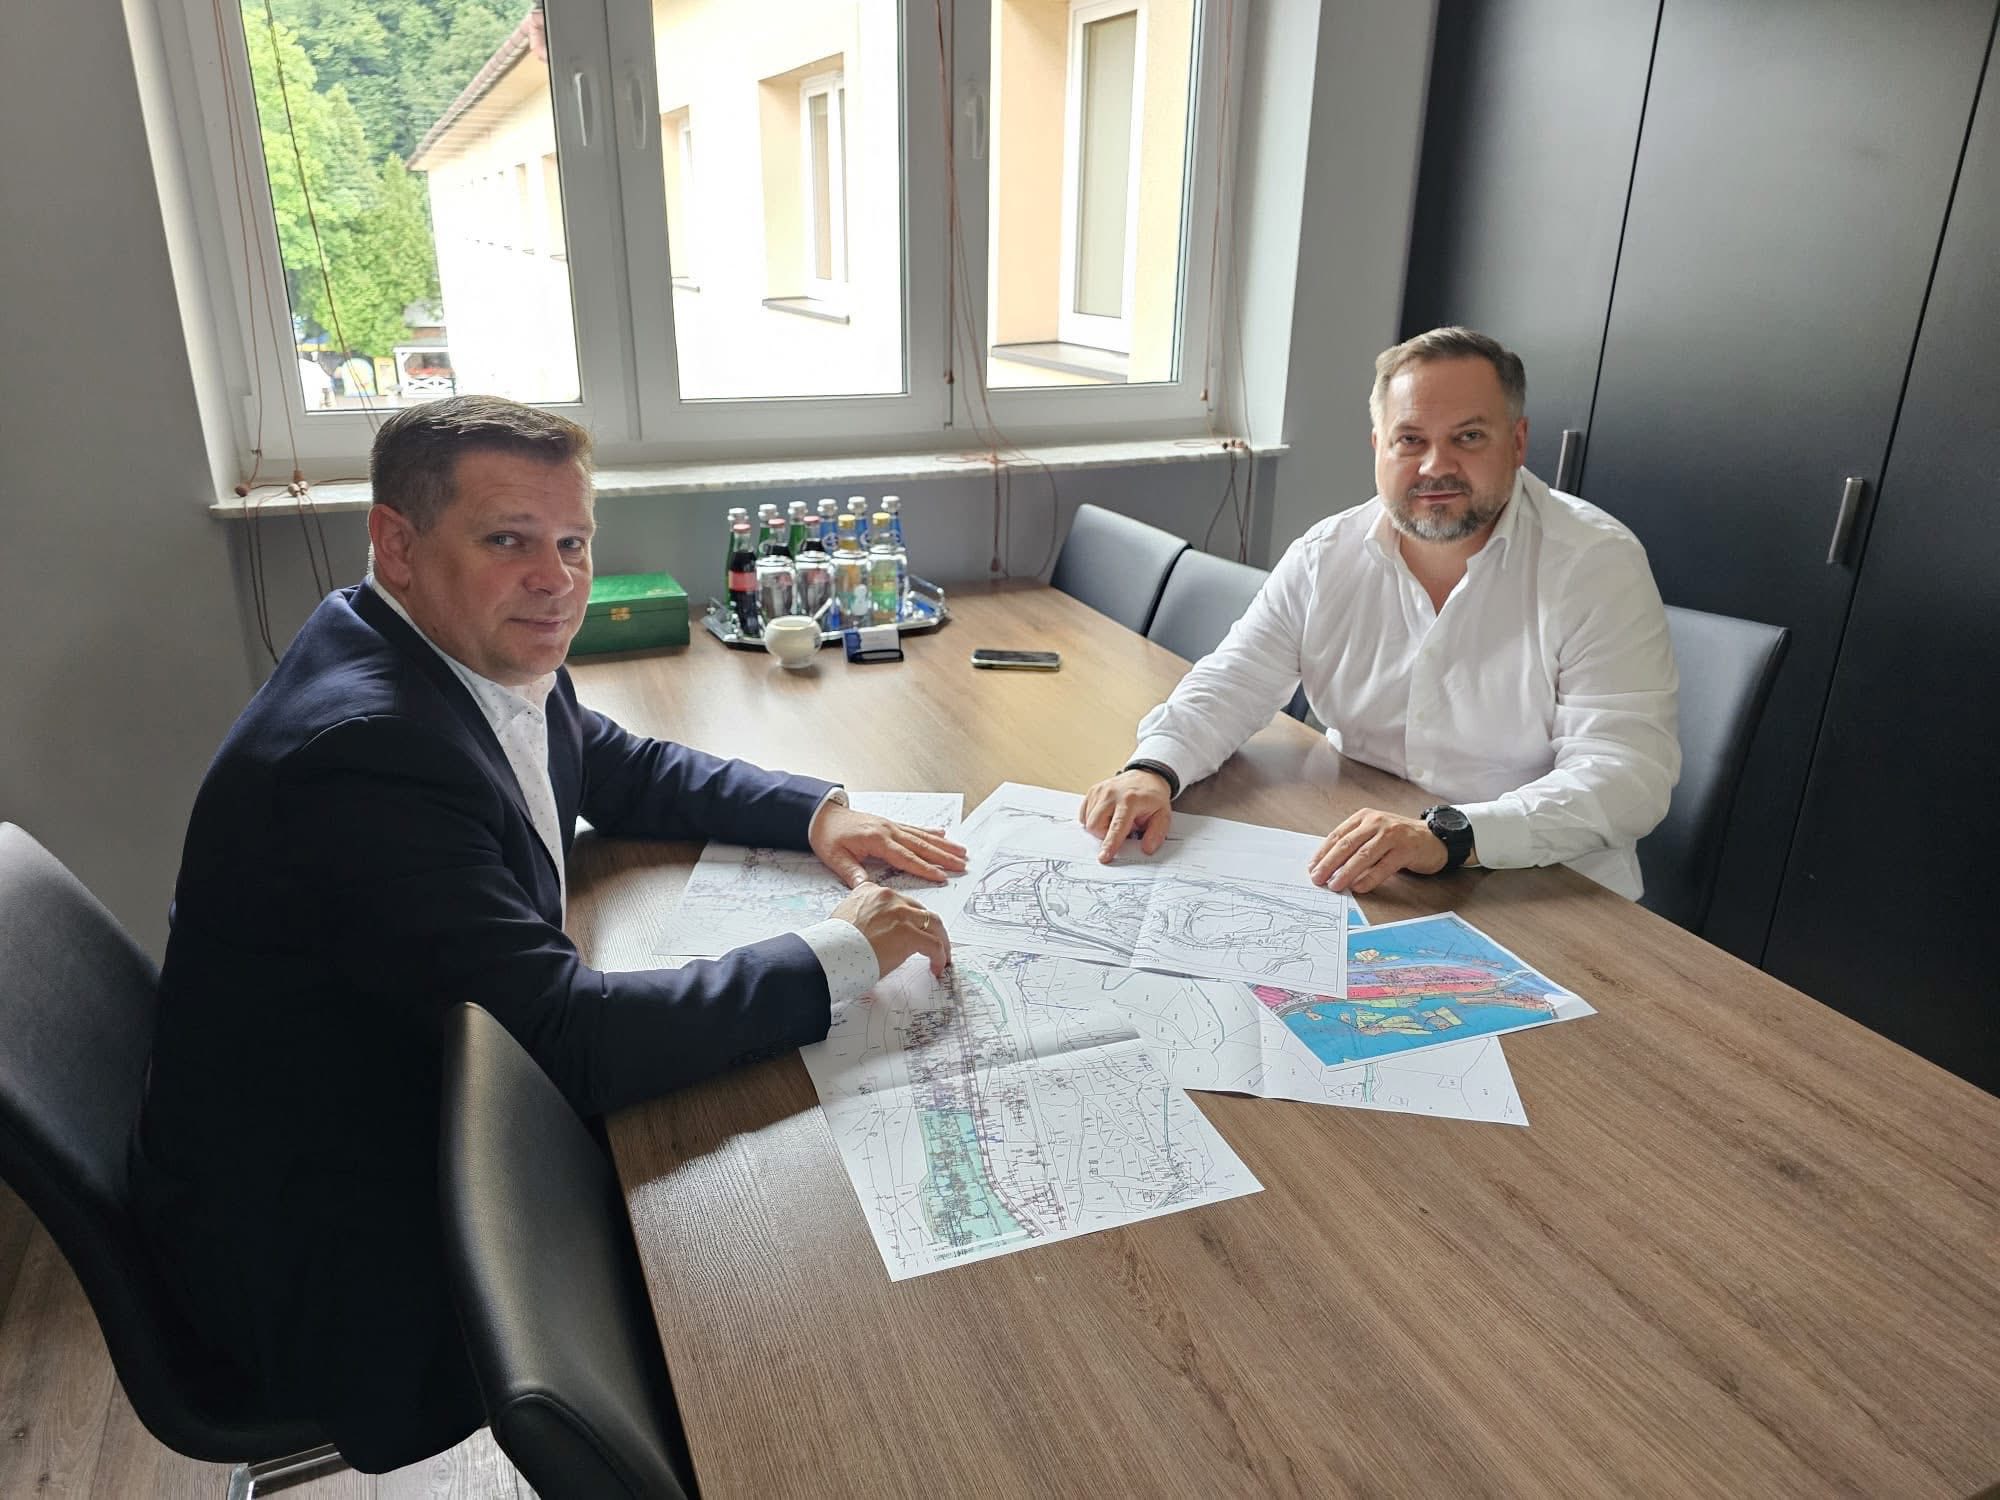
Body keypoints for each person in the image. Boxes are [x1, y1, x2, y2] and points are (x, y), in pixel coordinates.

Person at [132, 395, 963, 1472]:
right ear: (397, 542)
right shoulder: (363, 754)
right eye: (508, 541)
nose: (557, 579)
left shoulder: (441, 648)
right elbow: (570, 1043)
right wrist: (839, 950)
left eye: (572, 543)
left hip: (383, 1109)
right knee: (767, 1288)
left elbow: (611, 764)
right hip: (337, 1249)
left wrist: (817, 814)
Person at [1081, 326, 1678, 900]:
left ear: (1517, 442)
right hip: (1372, 859)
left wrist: (1453, 835)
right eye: (1410, 439)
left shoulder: (1595, 564)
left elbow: (1626, 775)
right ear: (1379, 446)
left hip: (1545, 886)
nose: (1435, 466)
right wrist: (1153, 769)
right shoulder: (1325, 554)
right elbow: (1235, 679)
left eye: (1469, 437)